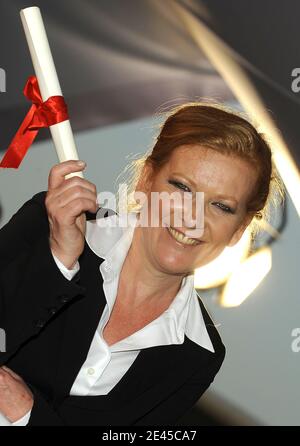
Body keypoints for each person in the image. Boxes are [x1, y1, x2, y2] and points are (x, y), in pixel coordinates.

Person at [0, 102, 281, 426]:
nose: (192, 218)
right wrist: (60, 260)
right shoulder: (50, 224)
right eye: (182, 187)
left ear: (240, 229)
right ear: (146, 181)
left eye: (220, 206)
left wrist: (28, 415)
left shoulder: (198, 357)